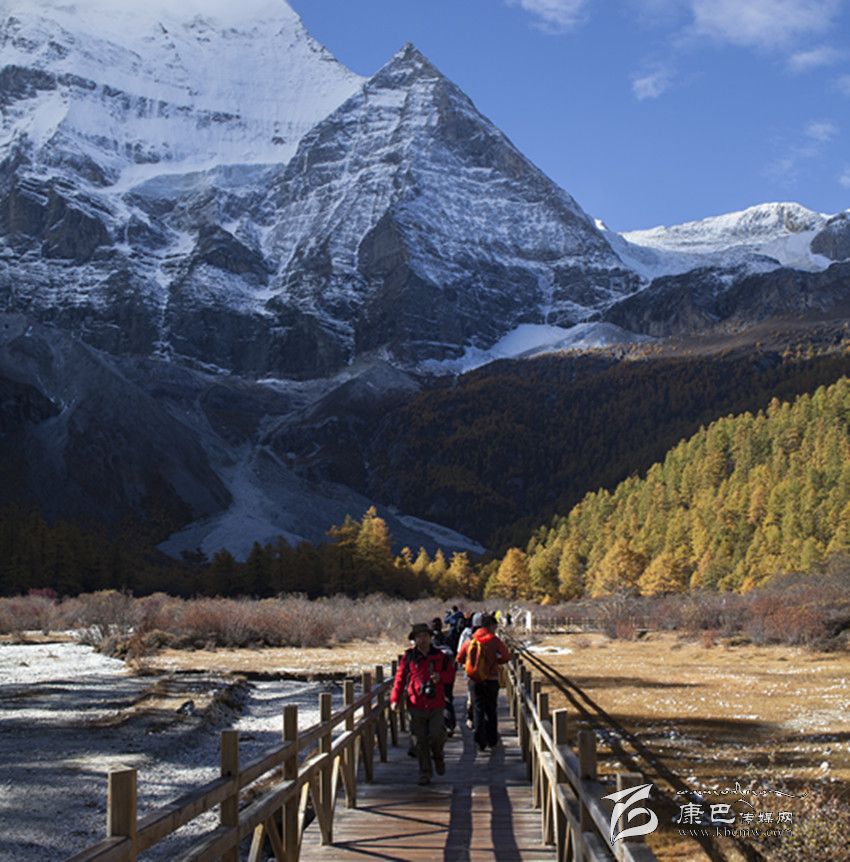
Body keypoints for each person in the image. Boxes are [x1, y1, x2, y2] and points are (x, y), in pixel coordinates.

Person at [391, 622, 456, 785]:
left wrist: (440, 677)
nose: (423, 639)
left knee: (436, 735)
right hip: (415, 702)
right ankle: (425, 772)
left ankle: (438, 756)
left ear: (430, 637)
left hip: (436, 703)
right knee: (419, 740)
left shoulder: (441, 656)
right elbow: (399, 679)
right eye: (419, 637)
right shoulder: (409, 657)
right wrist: (395, 699)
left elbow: (451, 675)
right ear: (414, 639)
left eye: (425, 636)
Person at [456, 613, 510, 753]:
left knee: (478, 709)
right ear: (491, 626)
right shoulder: (494, 640)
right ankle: (492, 740)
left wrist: (471, 663)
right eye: (495, 627)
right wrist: (495, 660)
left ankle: (480, 741)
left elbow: (459, 658)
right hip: (491, 679)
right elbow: (506, 656)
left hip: (475, 680)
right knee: (491, 709)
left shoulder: (471, 639)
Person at [430, 617, 457, 735]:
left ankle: (439, 725)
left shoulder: (431, 642)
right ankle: (450, 725)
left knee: (435, 698)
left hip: (434, 674)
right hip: (448, 673)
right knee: (448, 698)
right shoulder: (447, 638)